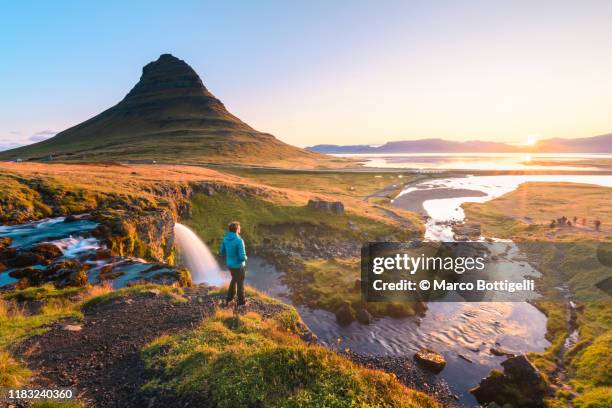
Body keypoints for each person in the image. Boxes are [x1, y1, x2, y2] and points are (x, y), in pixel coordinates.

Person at [220, 221, 247, 306]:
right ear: (237, 229)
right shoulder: (239, 241)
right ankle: (242, 302)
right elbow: (242, 257)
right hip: (239, 266)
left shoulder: (225, 239)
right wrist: (246, 257)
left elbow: (222, 252)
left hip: (230, 265)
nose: (240, 229)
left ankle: (229, 299)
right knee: (240, 283)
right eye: (239, 227)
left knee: (234, 279)